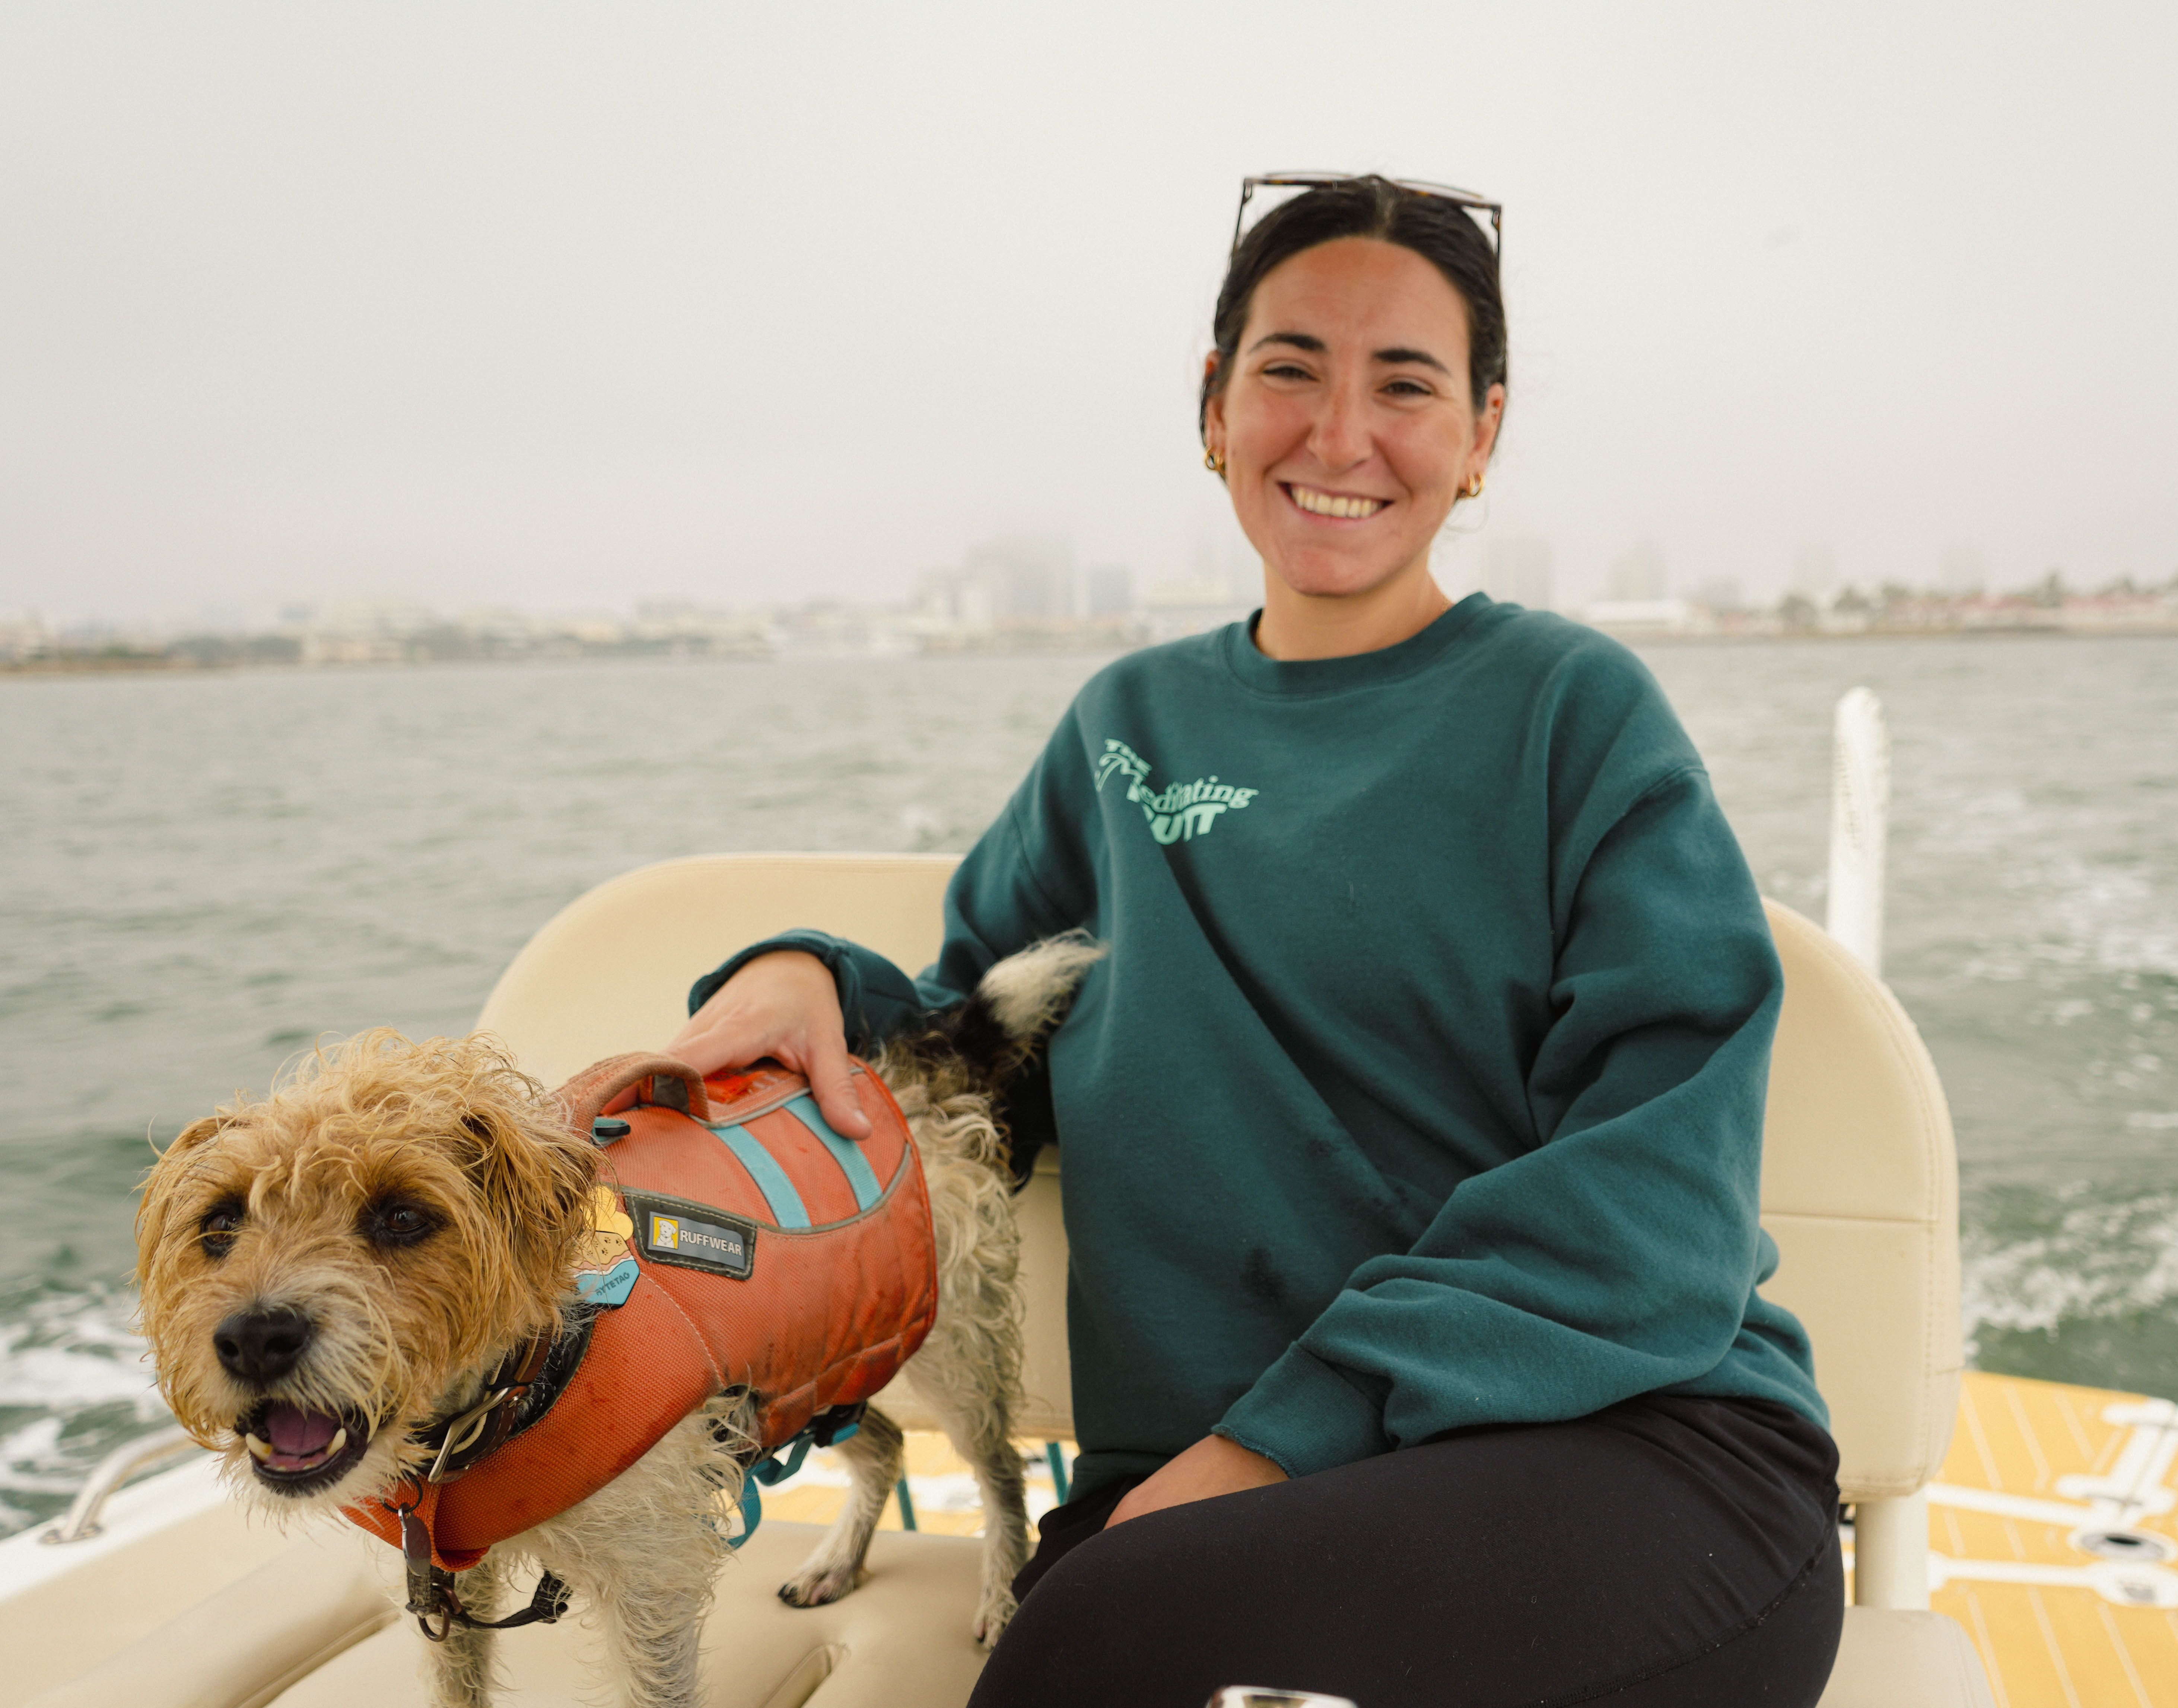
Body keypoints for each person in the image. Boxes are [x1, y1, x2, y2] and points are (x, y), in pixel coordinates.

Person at [669, 175, 1844, 1708]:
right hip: (1188, 1501)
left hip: (1626, 1449)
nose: (1337, 434)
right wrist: (801, 974)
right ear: (1212, 404)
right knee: (1093, 1638)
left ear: (1481, 435)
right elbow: (969, 1030)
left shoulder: (1571, 712)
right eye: (1288, 367)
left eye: (1405, 384)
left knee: (1091, 1646)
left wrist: (1274, 1439)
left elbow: (1659, 1184)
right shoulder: (1125, 732)